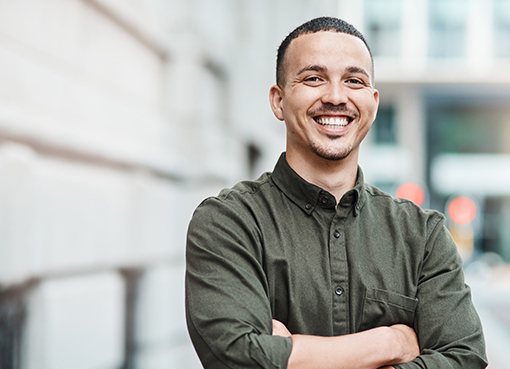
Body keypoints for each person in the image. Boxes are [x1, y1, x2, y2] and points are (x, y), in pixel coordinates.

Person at [185, 16, 487, 369]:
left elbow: (465, 359)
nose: (335, 97)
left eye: (354, 81)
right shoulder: (229, 222)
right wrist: (389, 342)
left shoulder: (422, 236)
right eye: (313, 78)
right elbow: (238, 357)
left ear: (373, 102)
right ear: (278, 100)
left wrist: (289, 352)